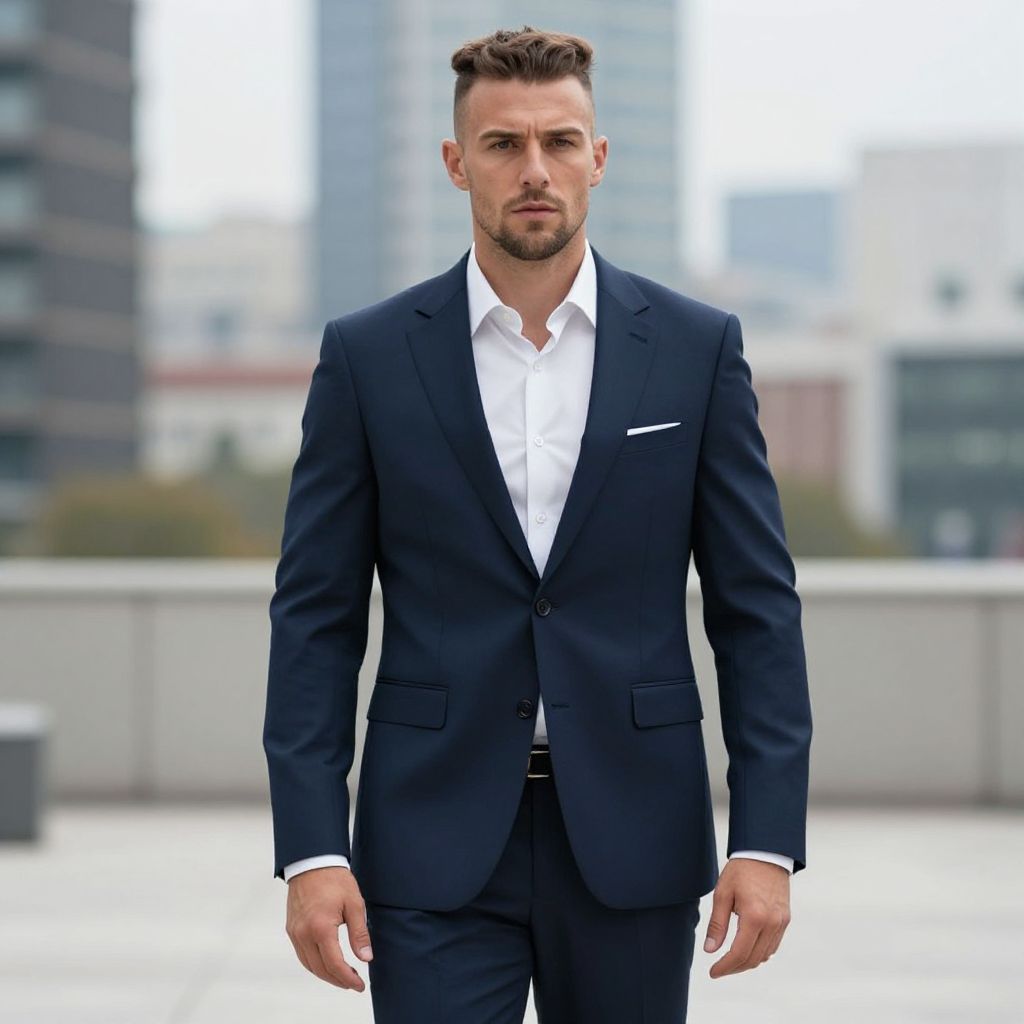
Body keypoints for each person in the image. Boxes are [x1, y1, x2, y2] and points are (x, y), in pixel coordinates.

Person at [263, 24, 812, 1023]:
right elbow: (315, 618)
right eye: (502, 144)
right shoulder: (368, 357)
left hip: (635, 828)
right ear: (455, 162)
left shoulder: (694, 350)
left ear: (596, 158)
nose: (533, 170)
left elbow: (756, 610)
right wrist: (311, 848)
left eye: (559, 142)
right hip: (428, 834)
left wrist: (766, 838)